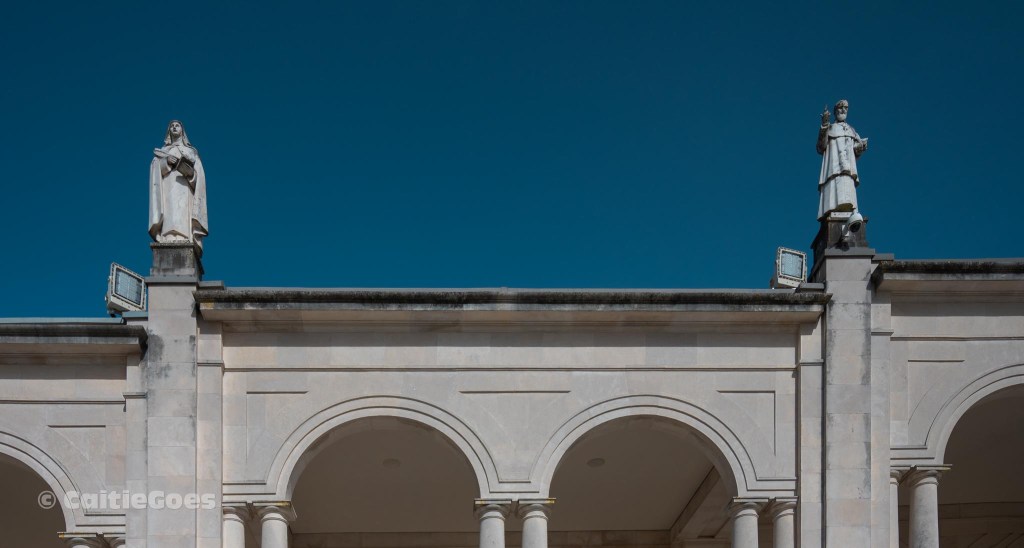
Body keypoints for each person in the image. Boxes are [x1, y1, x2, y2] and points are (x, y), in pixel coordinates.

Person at [149, 120, 208, 250]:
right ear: (169, 131)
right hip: (168, 186)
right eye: (172, 126)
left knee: (182, 213)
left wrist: (189, 172)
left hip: (184, 188)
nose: (175, 127)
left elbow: (199, 178)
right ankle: (167, 237)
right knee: (170, 212)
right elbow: (155, 169)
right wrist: (166, 162)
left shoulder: (191, 152)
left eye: (177, 125)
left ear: (182, 130)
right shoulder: (163, 151)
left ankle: (185, 237)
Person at [817, 99, 868, 220]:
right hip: (834, 168)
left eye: (846, 108)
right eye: (840, 108)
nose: (843, 110)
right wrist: (824, 124)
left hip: (848, 170)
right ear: (835, 112)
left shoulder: (852, 131)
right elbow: (820, 146)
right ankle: (834, 210)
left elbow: (855, 150)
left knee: (848, 190)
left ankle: (851, 215)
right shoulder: (830, 128)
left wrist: (860, 147)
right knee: (835, 186)